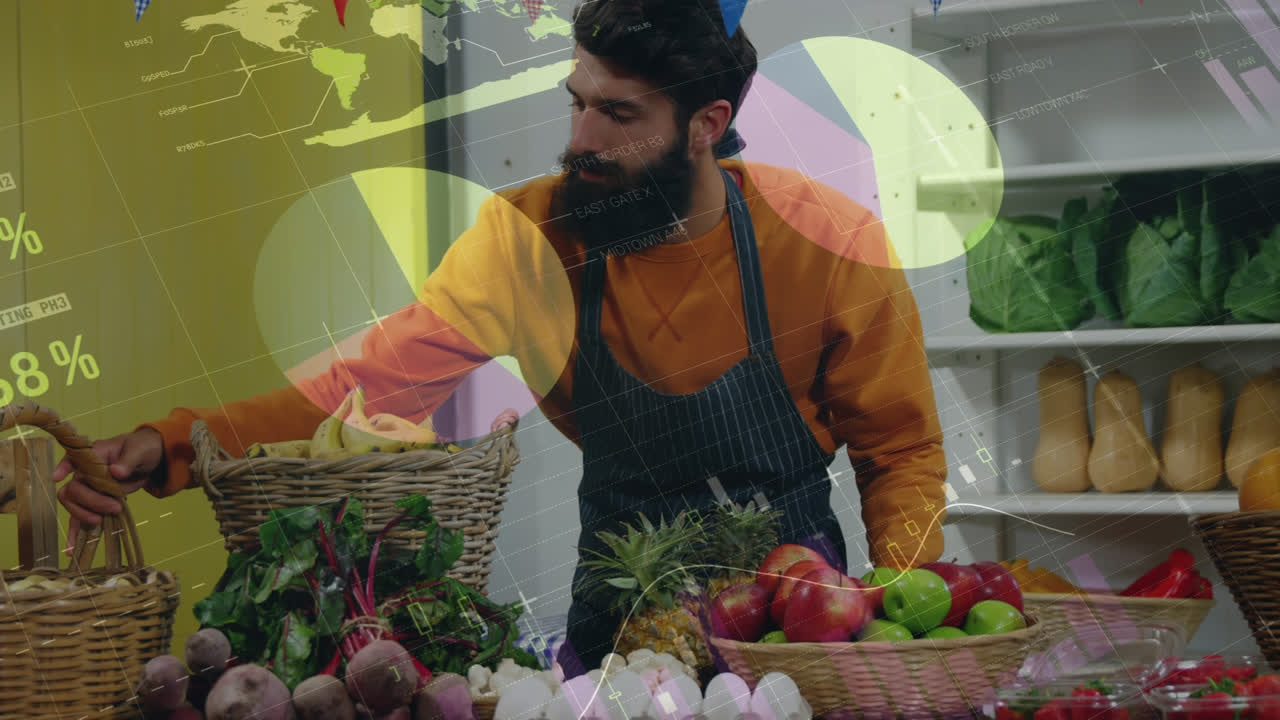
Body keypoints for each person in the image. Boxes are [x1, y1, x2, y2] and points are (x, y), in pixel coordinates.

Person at [52, 0, 948, 674]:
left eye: (619, 116)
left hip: (798, 630)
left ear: (707, 124)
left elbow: (900, 449)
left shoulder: (828, 241)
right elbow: (364, 393)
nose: (579, 141)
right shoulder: (530, 240)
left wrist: (903, 611)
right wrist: (173, 443)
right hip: (617, 626)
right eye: (577, 103)